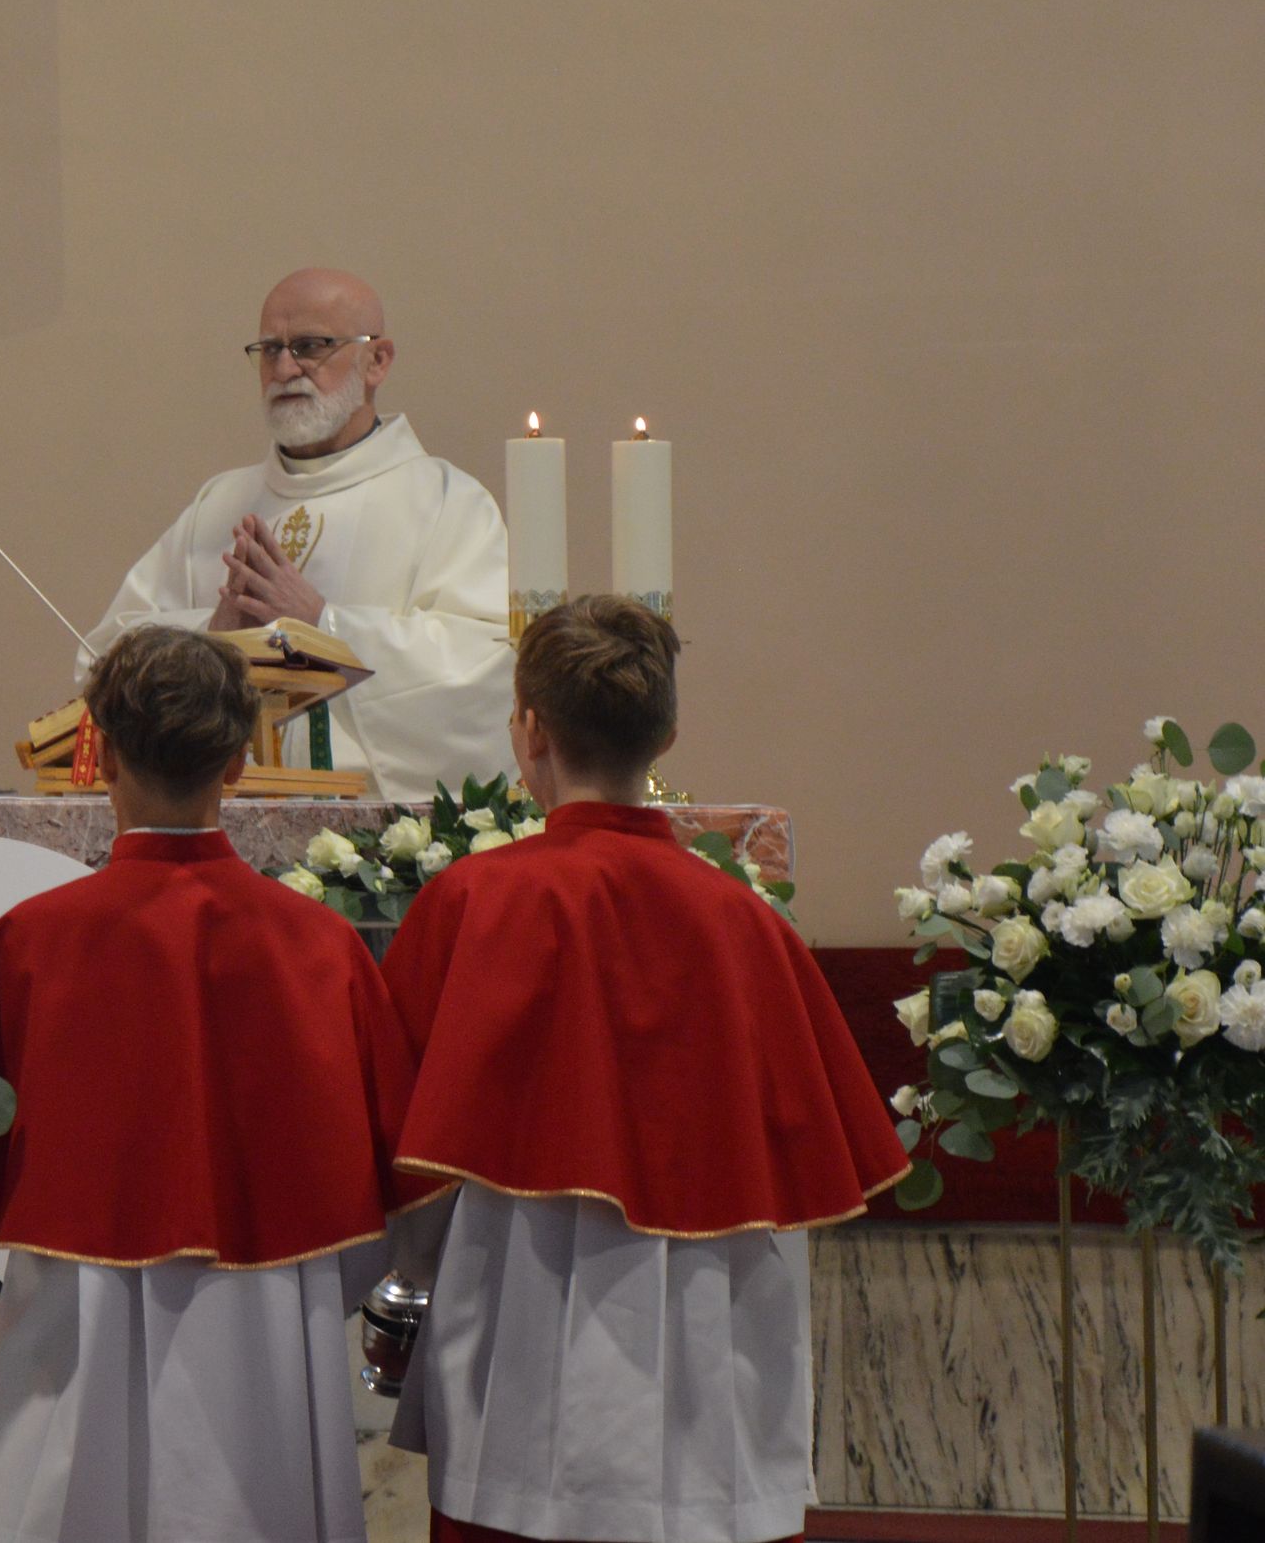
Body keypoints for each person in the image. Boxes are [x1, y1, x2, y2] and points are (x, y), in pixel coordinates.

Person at [0, 626, 431, 1543]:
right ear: (239, 763)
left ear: (100, 755)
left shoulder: (30, 941)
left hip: (78, 1319)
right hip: (267, 1325)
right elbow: (394, 1186)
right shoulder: (322, 945)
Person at [378, 597, 908, 1543]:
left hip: (519, 1316)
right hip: (710, 1326)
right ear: (665, 734)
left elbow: (402, 1155)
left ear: (529, 730)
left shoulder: (474, 900)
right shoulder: (744, 922)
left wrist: (405, 1280)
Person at [88, 268, 512, 800]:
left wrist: (322, 625)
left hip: (374, 833)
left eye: (311, 347)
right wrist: (213, 638)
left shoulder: (447, 502)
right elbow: (100, 659)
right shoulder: (218, 505)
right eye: (270, 350)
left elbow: (484, 673)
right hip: (218, 819)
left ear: (377, 360)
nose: (285, 369)